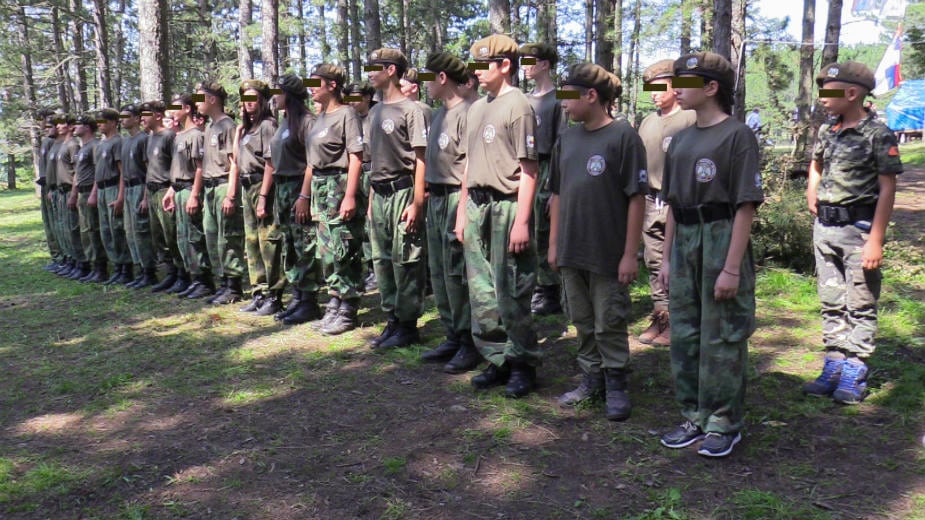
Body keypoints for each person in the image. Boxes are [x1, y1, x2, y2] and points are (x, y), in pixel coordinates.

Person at [656, 52, 764, 458]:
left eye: (685, 80)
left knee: (722, 333)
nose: (676, 88)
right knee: (685, 332)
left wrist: (731, 268)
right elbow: (671, 204)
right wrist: (666, 259)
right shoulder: (680, 139)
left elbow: (745, 205)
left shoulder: (737, 136)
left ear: (712, 87)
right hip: (685, 237)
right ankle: (693, 415)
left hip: (720, 236)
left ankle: (723, 421)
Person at [548, 63, 647, 420]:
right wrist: (554, 244)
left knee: (609, 319)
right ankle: (592, 378)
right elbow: (557, 193)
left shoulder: (623, 137)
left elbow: (637, 197)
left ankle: (616, 383)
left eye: (568, 95)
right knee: (582, 317)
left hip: (607, 251)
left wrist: (629, 254)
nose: (563, 103)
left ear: (591, 95)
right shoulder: (567, 139)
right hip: (572, 249)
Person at [802, 61, 903, 405]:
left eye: (829, 91)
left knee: (860, 301)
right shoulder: (827, 131)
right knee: (831, 299)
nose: (823, 98)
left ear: (852, 93)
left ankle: (855, 367)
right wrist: (812, 192)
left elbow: (887, 187)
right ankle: (834, 361)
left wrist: (876, 238)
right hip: (826, 228)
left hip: (859, 230)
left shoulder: (877, 134)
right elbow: (816, 164)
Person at [455, 34, 540, 398]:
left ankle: (523, 363)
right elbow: (469, 163)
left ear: (504, 65)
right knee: (482, 291)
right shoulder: (476, 108)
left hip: (507, 207)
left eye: (481, 64)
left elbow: (530, 169)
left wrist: (522, 221)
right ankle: (497, 358)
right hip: (476, 206)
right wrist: (462, 212)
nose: (474, 72)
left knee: (512, 289)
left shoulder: (519, 106)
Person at [417, 52, 481, 373]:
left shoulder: (468, 112)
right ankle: (452, 334)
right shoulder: (439, 114)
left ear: (443, 78)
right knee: (440, 270)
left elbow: (470, 163)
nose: (424, 84)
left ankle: (470, 341)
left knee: (458, 273)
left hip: (457, 197)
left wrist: (462, 211)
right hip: (437, 198)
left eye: (428, 77)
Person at [365, 48, 429, 349]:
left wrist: (417, 202)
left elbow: (421, 159)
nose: (369, 72)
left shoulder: (411, 110)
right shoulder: (375, 111)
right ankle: (392, 318)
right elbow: (372, 161)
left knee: (407, 259)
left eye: (374, 67)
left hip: (403, 192)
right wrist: (368, 202)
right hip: (378, 193)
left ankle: (408, 324)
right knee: (382, 259)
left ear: (391, 70)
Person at [298, 64, 366, 334]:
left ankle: (348, 308)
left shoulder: (346, 114)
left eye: (316, 82)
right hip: (320, 189)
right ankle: (334, 302)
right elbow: (311, 164)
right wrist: (304, 194)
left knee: (344, 247)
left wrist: (350, 195)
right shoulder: (319, 118)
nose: (311, 87)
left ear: (332, 85)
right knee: (326, 251)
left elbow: (356, 156)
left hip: (339, 185)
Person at [637, 59, 697, 346]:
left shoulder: (689, 119)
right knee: (654, 260)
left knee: (677, 260)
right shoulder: (648, 122)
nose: (654, 94)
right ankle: (661, 314)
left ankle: (680, 319)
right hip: (651, 199)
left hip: (679, 201)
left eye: (660, 88)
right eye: (650, 89)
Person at [519, 42, 567, 316]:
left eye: (530, 60)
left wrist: (554, 186)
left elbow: (562, 142)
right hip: (528, 166)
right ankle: (534, 285)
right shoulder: (524, 100)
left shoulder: (559, 99)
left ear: (545, 64)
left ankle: (550, 290)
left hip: (549, 166)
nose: (525, 66)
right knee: (528, 226)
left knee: (546, 230)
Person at [270, 73, 320, 324]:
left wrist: (304, 195)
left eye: (277, 92)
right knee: (290, 244)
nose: (274, 97)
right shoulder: (283, 122)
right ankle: (298, 297)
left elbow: (312, 163)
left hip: (298, 187)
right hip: (283, 189)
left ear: (289, 94)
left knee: (304, 244)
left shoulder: (306, 122)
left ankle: (310, 301)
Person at [233, 79, 282, 315]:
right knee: (251, 242)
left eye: (253, 98)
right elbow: (236, 159)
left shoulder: (268, 125)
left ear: (262, 100)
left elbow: (271, 164)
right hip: (246, 186)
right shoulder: (247, 128)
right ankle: (259, 292)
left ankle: (275, 294)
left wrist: (263, 196)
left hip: (262, 186)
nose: (248, 103)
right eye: (245, 98)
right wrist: (238, 133)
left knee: (268, 241)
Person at [196, 81, 246, 304]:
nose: (197, 103)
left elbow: (235, 162)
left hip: (224, 184)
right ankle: (223, 282)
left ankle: (234, 286)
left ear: (212, 99)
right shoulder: (208, 127)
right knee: (212, 236)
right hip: (209, 187)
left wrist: (231, 194)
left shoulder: (227, 126)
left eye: (200, 98)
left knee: (228, 238)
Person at [162, 94, 210, 297]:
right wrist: (171, 190)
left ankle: (204, 280)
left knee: (194, 237)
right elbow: (178, 168)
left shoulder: (196, 135)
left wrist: (195, 195)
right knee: (182, 237)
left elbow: (199, 168)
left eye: (176, 107)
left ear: (188, 108)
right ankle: (193, 278)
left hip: (191, 190)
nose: (172, 111)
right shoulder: (178, 136)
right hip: (179, 190)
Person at [119, 104, 160, 291]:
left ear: (136, 118)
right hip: (128, 188)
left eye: (126, 116)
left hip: (139, 187)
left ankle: (149, 271)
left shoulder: (143, 139)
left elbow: (148, 170)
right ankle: (140, 269)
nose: (122, 120)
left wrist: (145, 197)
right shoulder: (126, 141)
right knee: (130, 231)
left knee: (142, 231)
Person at [140, 101, 180, 289]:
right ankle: (171, 273)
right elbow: (149, 168)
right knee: (159, 237)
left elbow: (177, 165)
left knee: (171, 233)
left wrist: (172, 190)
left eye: (146, 114)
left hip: (166, 190)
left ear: (157, 115)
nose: (142, 118)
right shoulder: (150, 138)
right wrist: (146, 196)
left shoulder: (169, 136)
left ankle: (182, 274)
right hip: (153, 191)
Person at [72, 114, 107, 282]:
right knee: (86, 231)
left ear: (87, 127)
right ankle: (92, 266)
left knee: (94, 230)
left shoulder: (95, 146)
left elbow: (97, 173)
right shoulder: (82, 147)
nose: (74, 127)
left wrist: (94, 193)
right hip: (81, 192)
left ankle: (101, 268)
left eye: (78, 124)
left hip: (90, 193)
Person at [55, 115, 89, 280]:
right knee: (67, 228)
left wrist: (74, 194)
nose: (58, 126)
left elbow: (77, 172)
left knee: (76, 228)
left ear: (69, 126)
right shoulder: (64, 144)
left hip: (71, 190)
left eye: (61, 123)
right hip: (62, 191)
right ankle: (73, 260)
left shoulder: (73, 145)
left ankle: (82, 263)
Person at [36, 110, 65, 272]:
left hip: (51, 185)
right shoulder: (47, 141)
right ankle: (57, 256)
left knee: (54, 222)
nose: (43, 126)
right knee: (50, 222)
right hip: (47, 184)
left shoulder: (50, 142)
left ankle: (59, 256)